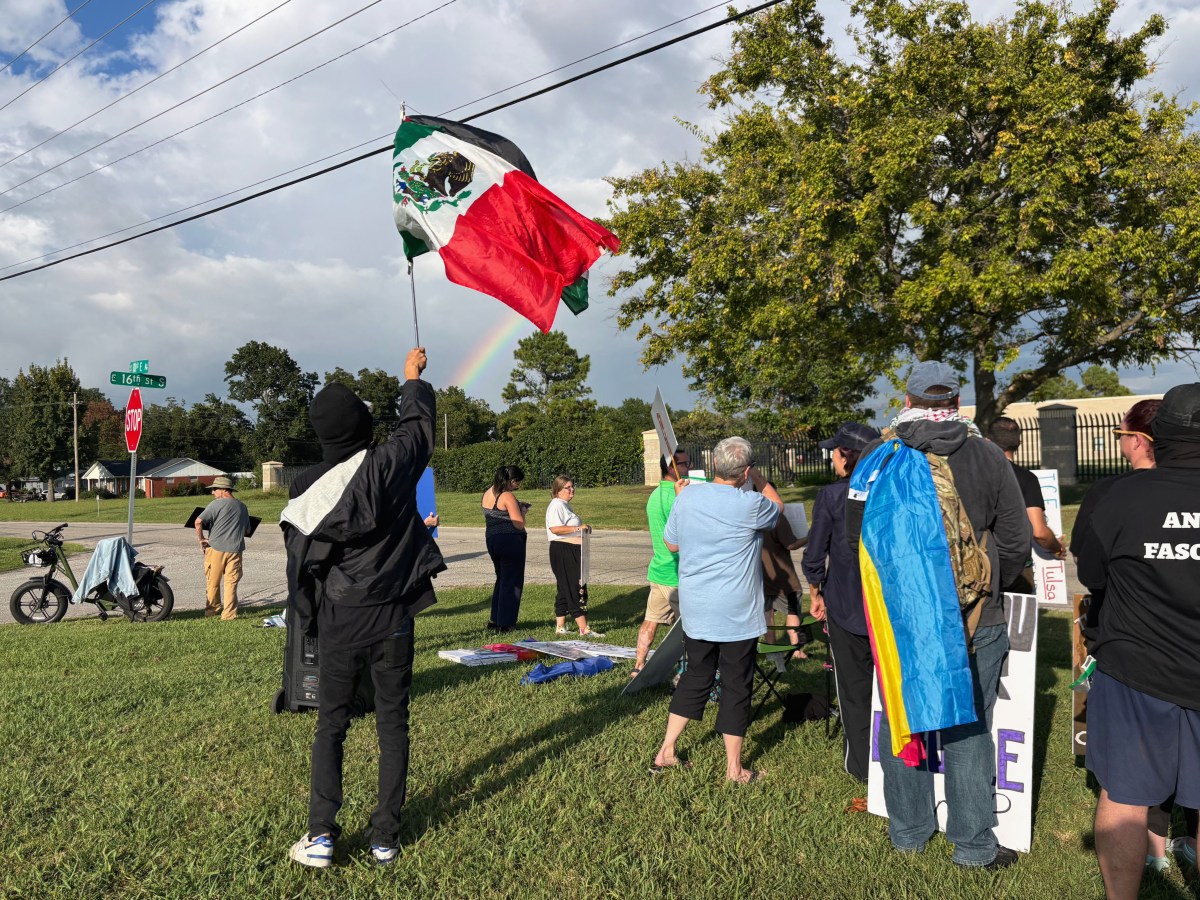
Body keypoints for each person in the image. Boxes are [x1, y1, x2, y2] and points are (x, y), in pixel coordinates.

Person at [846, 360, 1029, 869]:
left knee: (902, 716)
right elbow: (1015, 542)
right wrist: (990, 588)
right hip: (977, 617)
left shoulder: (878, 458)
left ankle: (908, 830)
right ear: (956, 403)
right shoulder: (989, 457)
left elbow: (852, 540)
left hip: (902, 618)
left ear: (908, 402)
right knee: (969, 727)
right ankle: (973, 846)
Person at [281, 348, 446, 869]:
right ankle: (384, 839)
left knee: (332, 724)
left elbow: (299, 564)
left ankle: (322, 836)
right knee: (393, 723)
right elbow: (417, 430)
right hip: (394, 616)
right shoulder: (386, 467)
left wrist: (306, 616)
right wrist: (412, 379)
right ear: (365, 424)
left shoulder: (306, 486)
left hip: (339, 618)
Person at [1077, 383, 1200, 899]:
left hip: (1135, 672)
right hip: (1144, 669)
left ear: (1156, 437)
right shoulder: (1120, 496)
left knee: (1124, 796)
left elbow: (1093, 575)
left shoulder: (1118, 497)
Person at [652, 437, 783, 784]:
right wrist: (759, 479)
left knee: (697, 673)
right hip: (736, 612)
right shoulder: (751, 503)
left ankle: (666, 750)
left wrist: (684, 502)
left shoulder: (688, 495)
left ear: (713, 466)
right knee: (737, 684)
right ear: (745, 472)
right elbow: (778, 508)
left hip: (697, 606)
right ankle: (734, 769)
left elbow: (672, 543)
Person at [802, 421, 879, 784]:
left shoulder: (832, 496)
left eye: (835, 450)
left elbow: (814, 555)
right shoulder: (892, 490)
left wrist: (816, 593)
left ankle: (863, 765)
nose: (831, 456)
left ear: (846, 455)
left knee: (853, 689)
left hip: (847, 605)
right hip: (888, 607)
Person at [986, 416, 1066, 591]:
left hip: (978, 566)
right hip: (1015, 570)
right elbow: (1039, 532)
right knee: (1019, 618)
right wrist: (1056, 547)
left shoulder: (971, 476)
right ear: (1019, 443)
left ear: (987, 442)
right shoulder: (1026, 479)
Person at [632, 448, 690, 676]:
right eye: (684, 464)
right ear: (670, 467)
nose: (689, 468)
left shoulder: (655, 494)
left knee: (650, 621)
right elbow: (682, 532)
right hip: (675, 573)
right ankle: (689, 669)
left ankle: (638, 666)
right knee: (690, 628)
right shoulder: (677, 495)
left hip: (658, 570)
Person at [545, 475, 603, 637]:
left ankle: (560, 627)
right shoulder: (557, 505)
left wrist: (584, 529)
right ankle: (584, 629)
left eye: (572, 486)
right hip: (564, 551)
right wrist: (579, 529)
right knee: (575, 588)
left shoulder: (564, 505)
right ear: (557, 490)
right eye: (567, 487)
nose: (572, 490)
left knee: (564, 588)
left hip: (570, 550)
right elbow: (555, 529)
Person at [758, 481, 808, 661]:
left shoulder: (751, 517)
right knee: (793, 611)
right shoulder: (777, 518)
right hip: (784, 578)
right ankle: (796, 649)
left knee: (767, 613)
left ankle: (770, 650)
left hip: (761, 575)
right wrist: (808, 537)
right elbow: (791, 544)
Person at [193, 474, 249, 620]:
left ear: (224, 490)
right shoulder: (242, 506)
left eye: (214, 489)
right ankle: (229, 614)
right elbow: (247, 530)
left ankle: (212, 610)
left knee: (213, 581)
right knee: (231, 583)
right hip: (236, 550)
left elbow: (198, 522)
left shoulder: (215, 504)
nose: (212, 492)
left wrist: (201, 539)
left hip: (216, 548)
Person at [482, 465, 529, 633]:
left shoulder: (488, 493)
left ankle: (495, 619)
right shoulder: (507, 495)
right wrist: (522, 510)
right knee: (512, 582)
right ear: (512, 481)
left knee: (501, 580)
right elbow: (518, 523)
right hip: (510, 541)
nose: (518, 486)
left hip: (492, 540)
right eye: (518, 482)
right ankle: (506, 623)